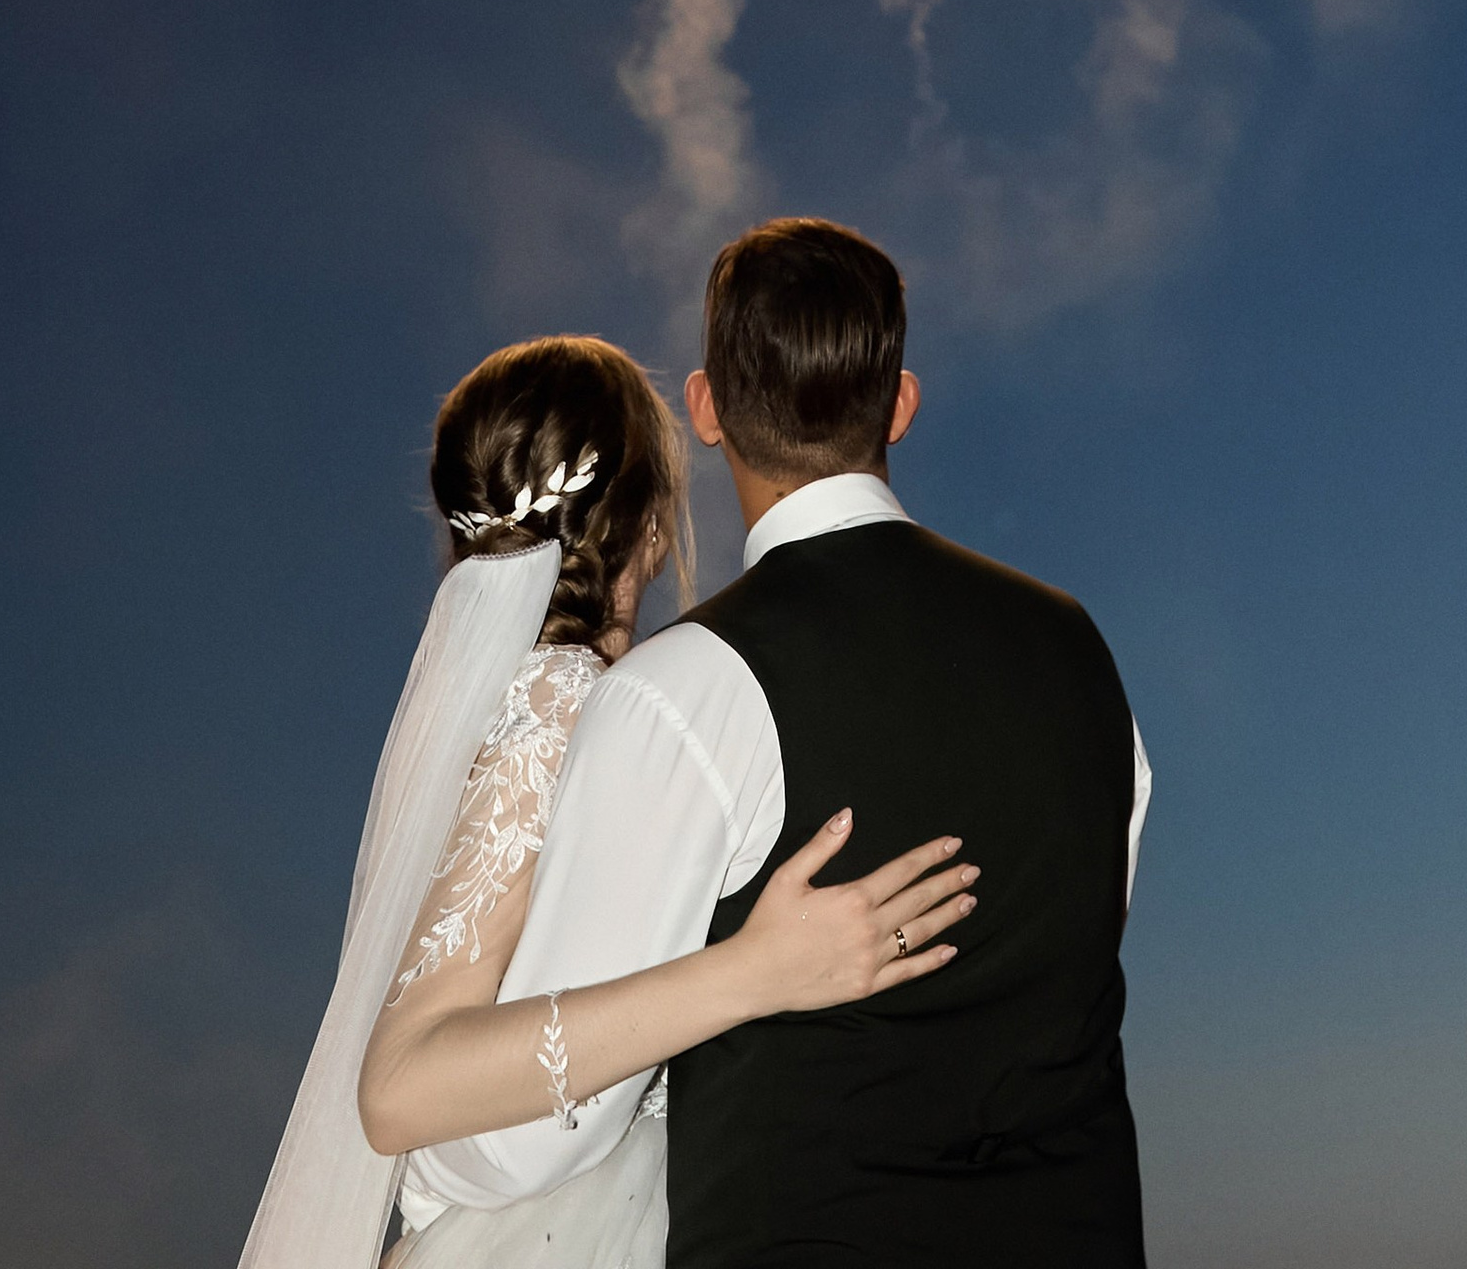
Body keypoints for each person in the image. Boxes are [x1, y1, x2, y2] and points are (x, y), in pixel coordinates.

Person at [423, 221, 1151, 1268]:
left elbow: (534, 1132)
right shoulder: (1082, 652)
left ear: (707, 406)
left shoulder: (681, 691)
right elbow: (1079, 940)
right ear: (898, 400)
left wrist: (417, 1169)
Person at [233, 330, 974, 1269]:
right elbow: (397, 1086)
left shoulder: (546, 699)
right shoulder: (558, 700)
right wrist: (759, 971)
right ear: (651, 522)